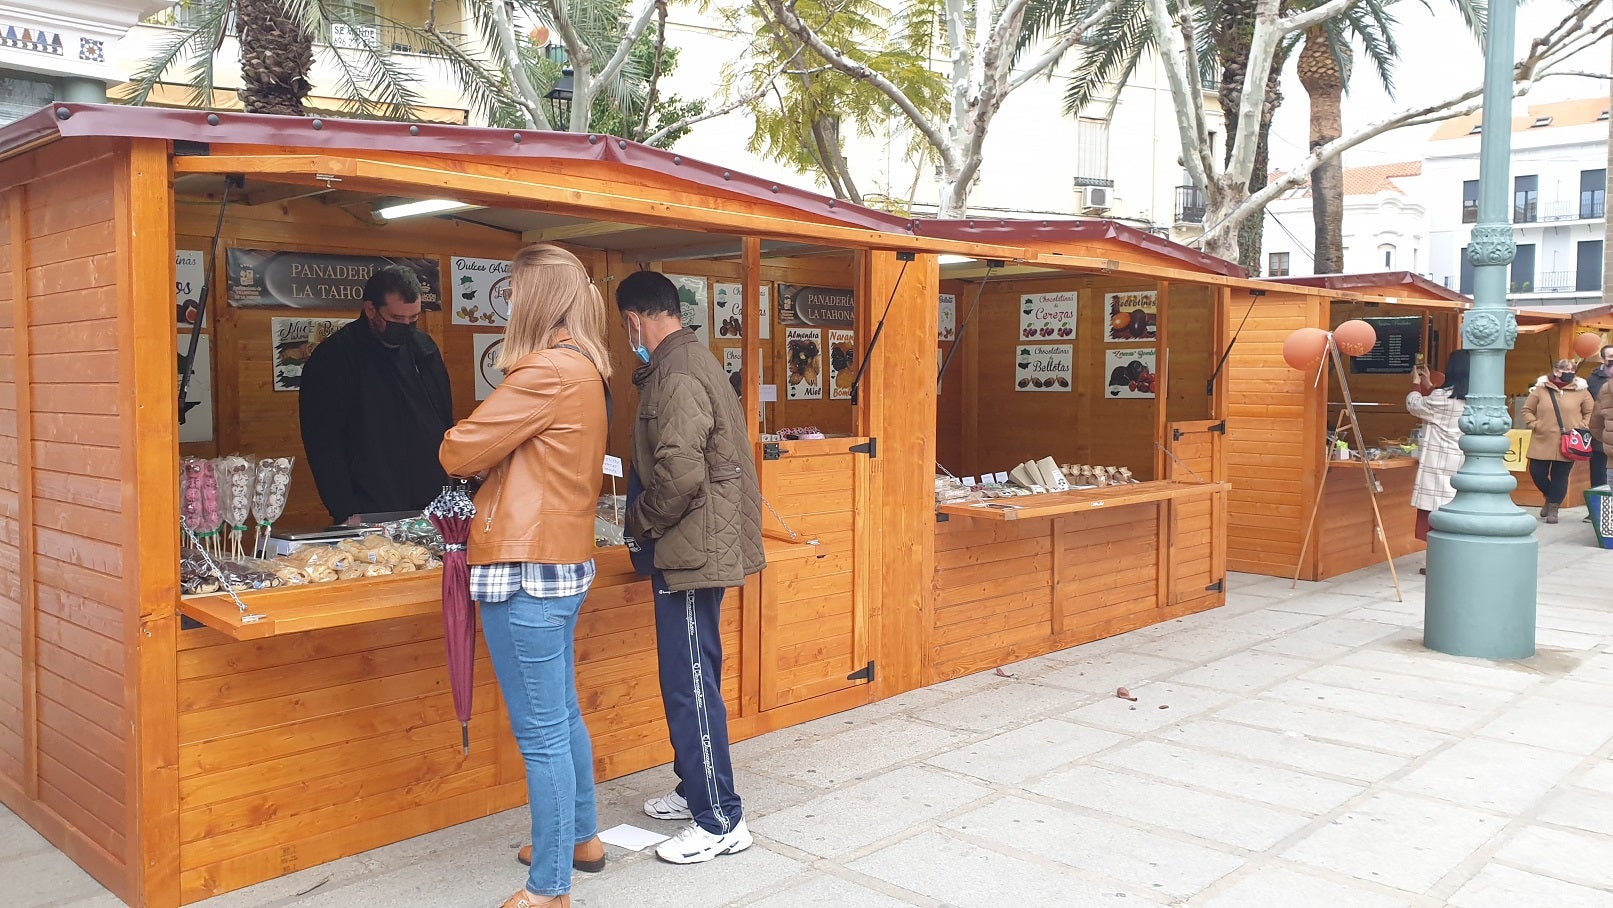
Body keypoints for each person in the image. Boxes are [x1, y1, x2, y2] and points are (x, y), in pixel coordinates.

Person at [439, 245, 613, 908]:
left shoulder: (543, 371)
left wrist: (477, 438)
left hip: (522, 568)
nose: (505, 301)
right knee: (560, 715)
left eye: (511, 291)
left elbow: (457, 449)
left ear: (535, 298)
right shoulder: (584, 368)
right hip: (557, 562)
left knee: (539, 732)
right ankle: (579, 840)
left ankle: (549, 889)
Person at [613, 270, 765, 865]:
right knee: (691, 675)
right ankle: (694, 787)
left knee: (690, 683)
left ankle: (720, 818)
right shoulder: (692, 359)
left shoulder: (673, 375)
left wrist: (639, 521)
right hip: (700, 544)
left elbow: (679, 476)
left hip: (690, 549)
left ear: (634, 320)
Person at [299, 265, 453, 524]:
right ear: (371, 310)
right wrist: (344, 508)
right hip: (370, 505)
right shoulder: (335, 357)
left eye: (413, 318)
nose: (406, 326)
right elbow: (323, 441)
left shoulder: (424, 348)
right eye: (397, 319)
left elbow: (444, 420)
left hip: (432, 500)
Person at [1407, 350, 1470, 566]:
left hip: (1439, 460)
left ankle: (1438, 562)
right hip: (1462, 459)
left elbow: (1415, 405)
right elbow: (1441, 405)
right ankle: (1456, 558)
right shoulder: (1475, 397)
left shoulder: (1443, 397)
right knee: (1455, 511)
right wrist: (1429, 384)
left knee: (1434, 513)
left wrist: (1416, 384)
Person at [1521, 358, 1595, 524]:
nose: (1569, 373)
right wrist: (1535, 424)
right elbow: (1527, 410)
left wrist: (1582, 426)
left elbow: (1591, 412)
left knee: (1560, 476)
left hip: (1570, 440)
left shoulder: (1581, 391)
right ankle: (1549, 495)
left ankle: (1554, 508)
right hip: (1542, 438)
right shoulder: (1541, 389)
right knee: (1537, 472)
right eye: (1565, 370)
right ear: (1556, 371)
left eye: (1572, 370)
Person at [1586, 345, 1613, 490]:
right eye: (1610, 358)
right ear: (1602, 359)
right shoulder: (1593, 380)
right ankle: (1600, 512)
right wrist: (1602, 437)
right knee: (1600, 482)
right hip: (1602, 442)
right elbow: (1594, 416)